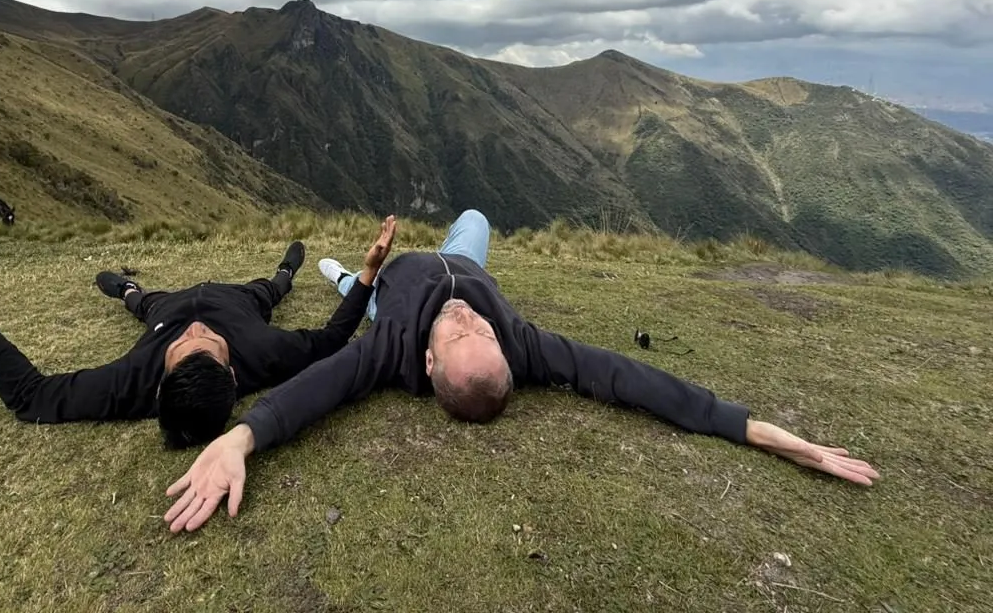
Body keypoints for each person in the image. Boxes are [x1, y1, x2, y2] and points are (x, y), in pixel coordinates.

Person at [163, 211, 880, 532]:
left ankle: (350, 273)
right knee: (475, 214)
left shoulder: (389, 352)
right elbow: (628, 377)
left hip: (391, 292)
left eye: (461, 330)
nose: (468, 320)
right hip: (461, 256)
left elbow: (315, 390)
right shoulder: (521, 343)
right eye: (479, 330)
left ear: (427, 362)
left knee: (354, 288)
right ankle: (368, 266)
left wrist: (238, 440)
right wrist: (759, 431)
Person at [0, 238, 380, 448]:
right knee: (272, 290)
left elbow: (31, 397)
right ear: (232, 371)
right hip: (239, 300)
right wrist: (367, 274)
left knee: (141, 302)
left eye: (186, 347)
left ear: (162, 380)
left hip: (164, 308)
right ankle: (286, 270)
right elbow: (335, 337)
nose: (196, 332)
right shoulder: (267, 353)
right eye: (208, 344)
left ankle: (124, 288)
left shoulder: (137, 381)